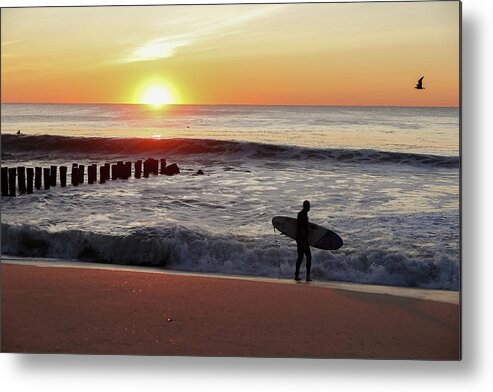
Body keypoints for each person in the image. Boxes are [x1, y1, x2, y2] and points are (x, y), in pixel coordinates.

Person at [295, 200, 312, 282]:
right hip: (303, 239)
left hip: (299, 239)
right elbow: (302, 228)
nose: (309, 207)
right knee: (309, 256)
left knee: (300, 257)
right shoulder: (303, 215)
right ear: (305, 206)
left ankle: (296, 275)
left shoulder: (300, 214)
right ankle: (308, 276)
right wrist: (305, 241)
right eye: (308, 206)